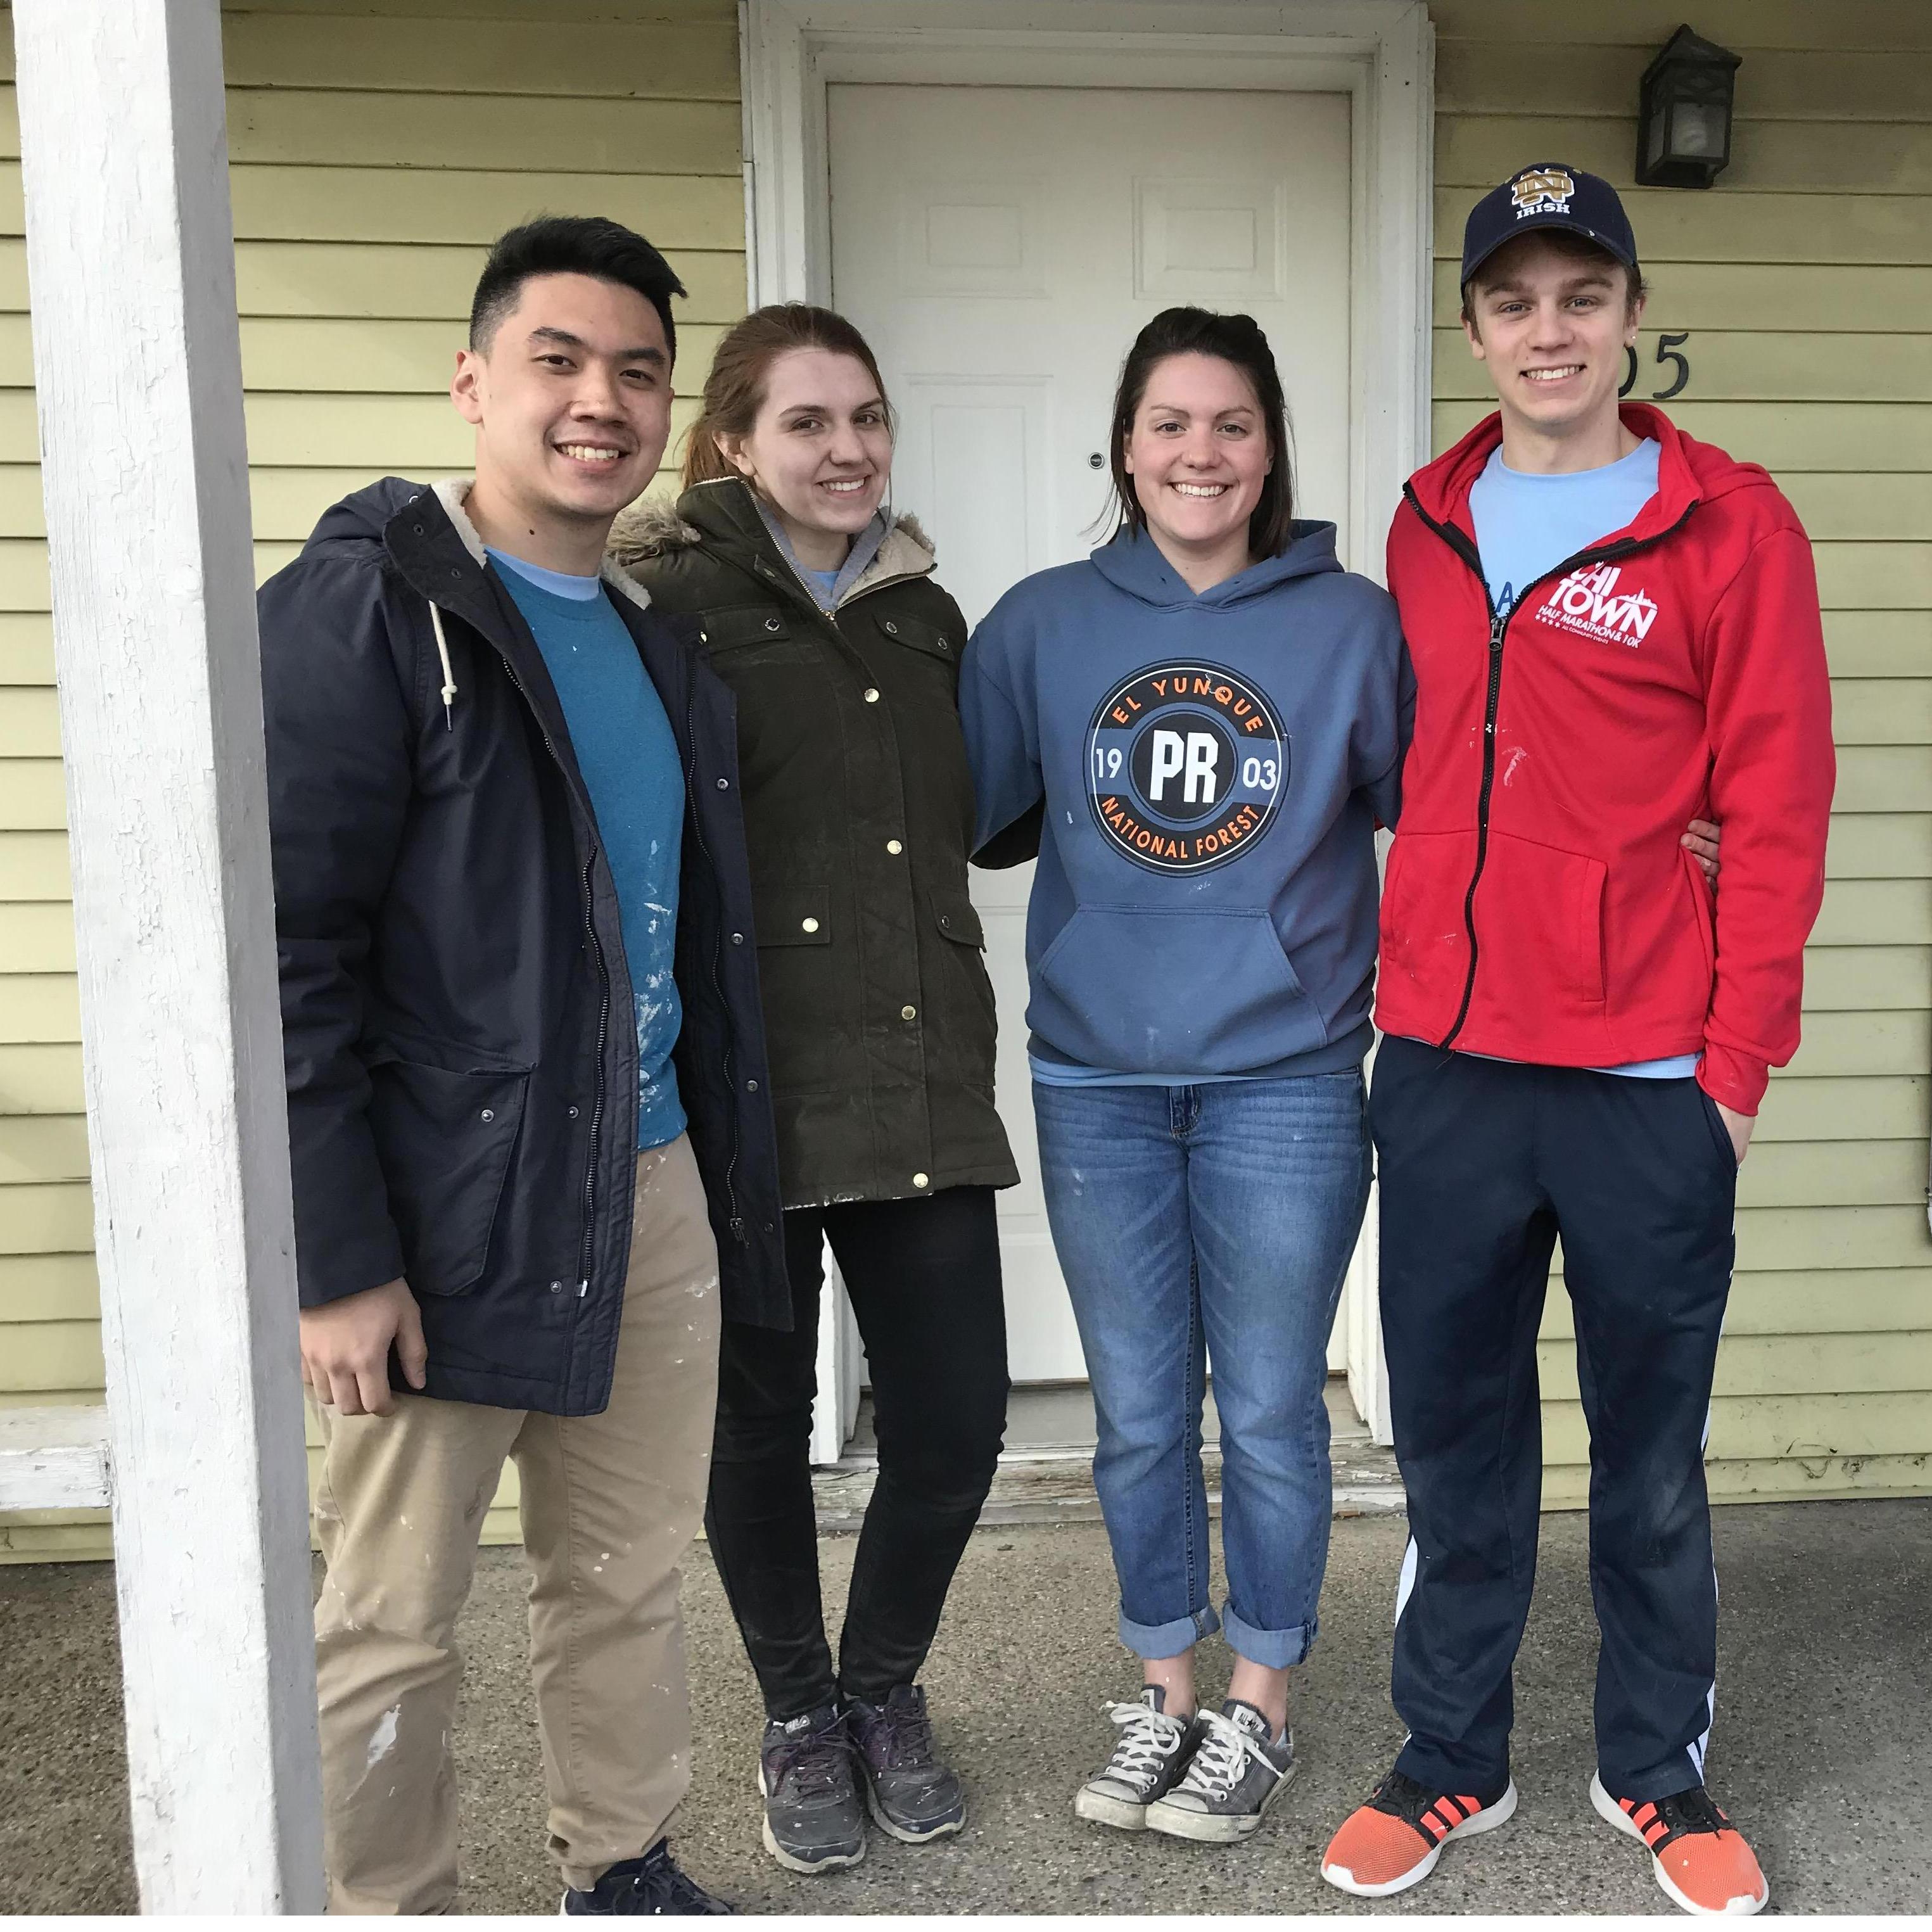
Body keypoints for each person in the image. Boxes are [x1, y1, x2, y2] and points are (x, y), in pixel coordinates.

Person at [258, 216, 791, 1916]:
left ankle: (618, 1859)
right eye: (557, 360)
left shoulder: (654, 638)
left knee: (624, 1572)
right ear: (473, 379)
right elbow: (283, 954)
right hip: (440, 1208)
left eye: (636, 370)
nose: (599, 400)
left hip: (646, 1190)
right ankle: (384, 1898)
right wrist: (336, 1258)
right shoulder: (368, 615)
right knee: (392, 1610)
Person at [1319, 165, 1833, 1917]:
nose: (1551, 329)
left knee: (1652, 1455)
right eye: (1516, 300)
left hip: (1645, 1082)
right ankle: (1447, 1753)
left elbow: (1775, 802)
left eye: (1581, 295)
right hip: (1452, 1065)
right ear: (1477, 328)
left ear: (1629, 316)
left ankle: (1656, 1773)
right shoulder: (1421, 520)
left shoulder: (1731, 525)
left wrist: (1735, 1068)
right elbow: (1404, 761)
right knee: (1458, 1437)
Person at [958, 307, 1403, 1845]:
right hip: (1096, 1080)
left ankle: (1257, 1702)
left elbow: (1461, 805)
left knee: (1274, 1408)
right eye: (1168, 423)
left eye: (1229, 423)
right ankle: (1160, 1688)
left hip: (1284, 1072)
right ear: (1124, 446)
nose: (1197, 452)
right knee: (1142, 1411)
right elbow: (960, 810)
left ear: (1268, 445)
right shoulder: (1036, 624)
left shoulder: (1351, 625)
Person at [611, 305, 1019, 1876]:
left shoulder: (927, 619)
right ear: (733, 442)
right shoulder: (667, 606)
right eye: (807, 423)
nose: (847, 450)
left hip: (919, 1081)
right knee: (755, 1428)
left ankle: (879, 1687)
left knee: (956, 1422)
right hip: (746, 1093)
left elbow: (998, 810)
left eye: (867, 418)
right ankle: (797, 1712)